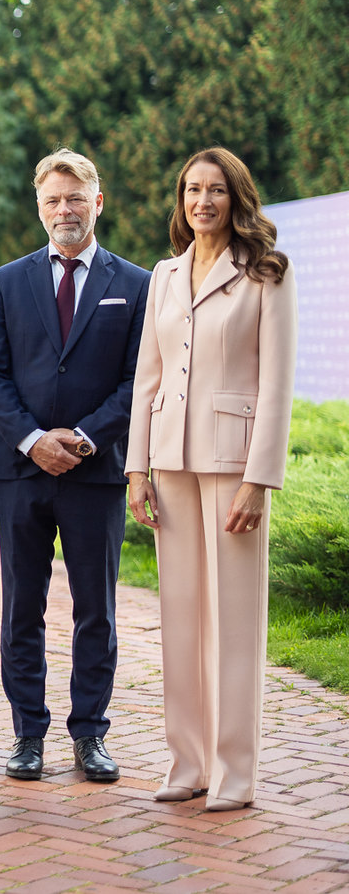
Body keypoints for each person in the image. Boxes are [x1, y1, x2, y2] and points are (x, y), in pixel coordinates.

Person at [126, 147, 297, 812]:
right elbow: (148, 377)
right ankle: (186, 762)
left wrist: (260, 479)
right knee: (181, 620)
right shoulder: (164, 275)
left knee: (233, 623)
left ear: (237, 198)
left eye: (216, 190)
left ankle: (233, 773)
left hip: (234, 465)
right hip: (169, 461)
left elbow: (277, 381)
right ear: (181, 200)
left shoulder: (267, 273)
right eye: (192, 190)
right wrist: (136, 467)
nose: (202, 201)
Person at [0, 149, 151, 783]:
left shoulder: (134, 284)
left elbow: (139, 380)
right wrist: (29, 440)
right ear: (39, 206)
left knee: (94, 608)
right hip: (22, 473)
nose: (64, 209)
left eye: (75, 197)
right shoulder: (5, 282)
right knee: (22, 606)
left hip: (94, 472)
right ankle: (27, 734)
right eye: (53, 199)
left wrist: (80, 437)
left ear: (97, 202)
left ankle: (90, 736)